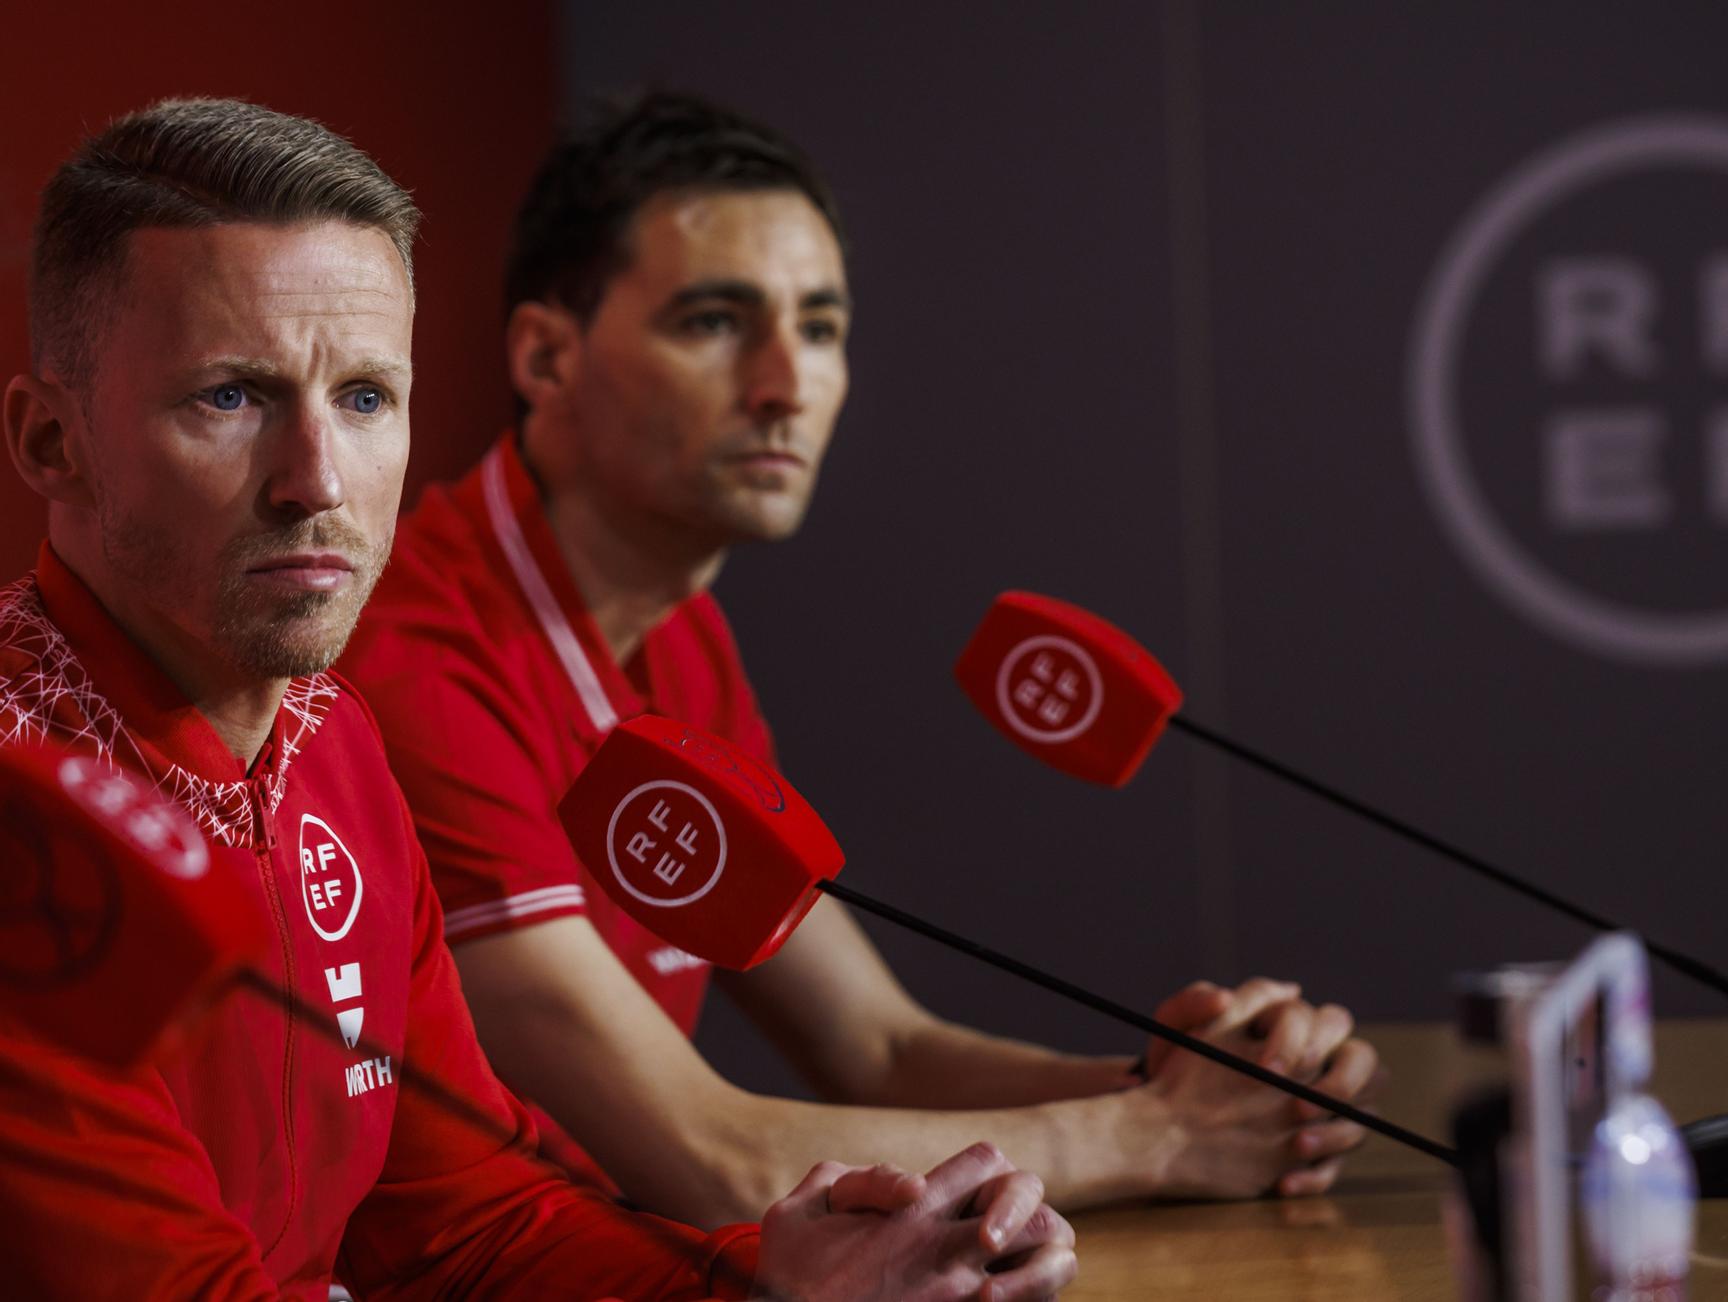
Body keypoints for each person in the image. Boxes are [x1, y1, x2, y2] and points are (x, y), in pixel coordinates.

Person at [0, 96, 1075, 1300]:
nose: (316, 483)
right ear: (51, 443)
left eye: (364, 398)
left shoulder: (329, 737)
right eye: (230, 397)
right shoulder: (24, 836)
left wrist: (772, 1279)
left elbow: (477, 1223)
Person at [341, 92, 1382, 1226]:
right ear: (546, 356)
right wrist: (1165, 1135)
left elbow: (879, 1049)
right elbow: (707, 1154)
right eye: (713, 321)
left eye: (822, 326)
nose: (786, 384)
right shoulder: (411, 658)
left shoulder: (678, 636)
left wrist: (1202, 1092)